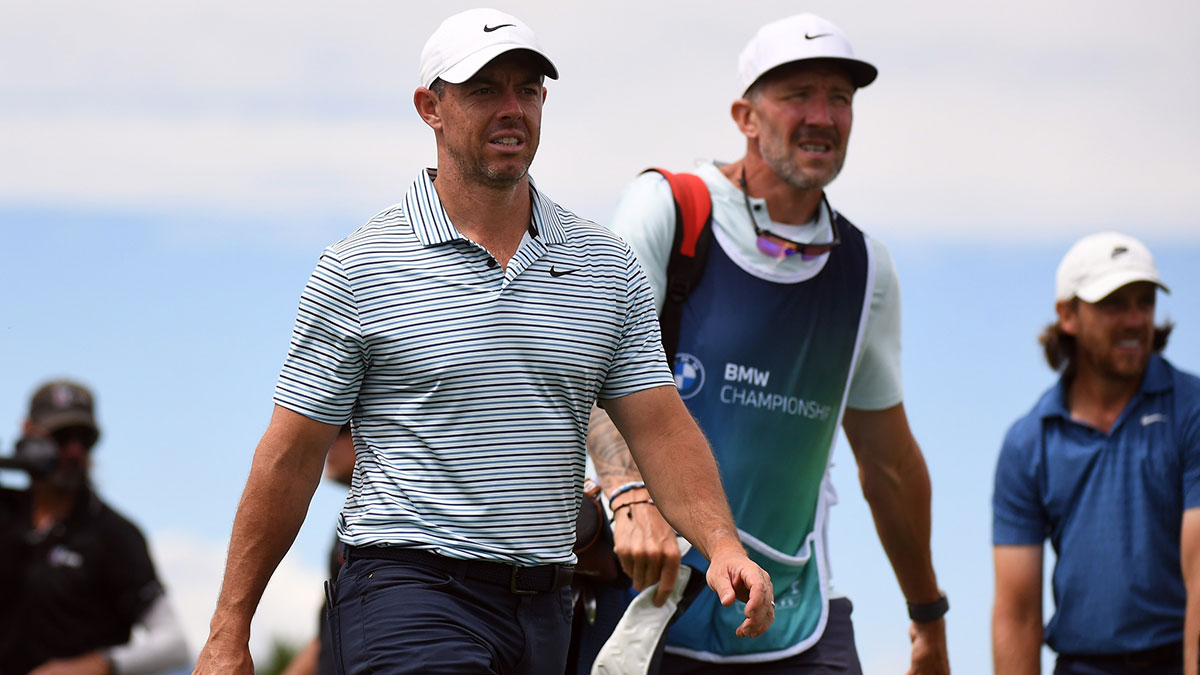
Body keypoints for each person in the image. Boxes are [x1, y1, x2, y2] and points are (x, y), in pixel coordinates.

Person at [193, 8, 774, 675]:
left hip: (548, 606)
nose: (511, 108)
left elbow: (663, 430)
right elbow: (292, 456)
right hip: (406, 592)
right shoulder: (359, 268)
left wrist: (723, 544)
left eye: (526, 90)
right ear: (429, 107)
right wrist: (229, 627)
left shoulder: (605, 268)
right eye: (483, 90)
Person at [584, 13, 949, 674]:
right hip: (643, 602)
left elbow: (890, 465)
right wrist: (630, 494)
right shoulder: (668, 207)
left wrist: (928, 617)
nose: (823, 115)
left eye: (839, 98)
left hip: (795, 624)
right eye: (797, 95)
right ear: (745, 116)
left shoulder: (865, 268)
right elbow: (593, 370)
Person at [992, 232, 1200, 675]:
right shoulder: (1028, 443)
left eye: (1144, 303)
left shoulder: (1192, 411)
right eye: (1113, 304)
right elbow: (1017, 614)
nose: (1134, 319)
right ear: (1067, 315)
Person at [0, 379, 189, 675]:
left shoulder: (114, 535)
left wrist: (99, 664)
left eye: (84, 439)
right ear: (28, 432)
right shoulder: (6, 512)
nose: (74, 452)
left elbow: (175, 645)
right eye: (62, 437)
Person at [280, 423, 355, 675]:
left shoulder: (392, 526)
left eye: (340, 432)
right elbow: (328, 634)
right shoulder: (348, 523)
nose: (328, 444)